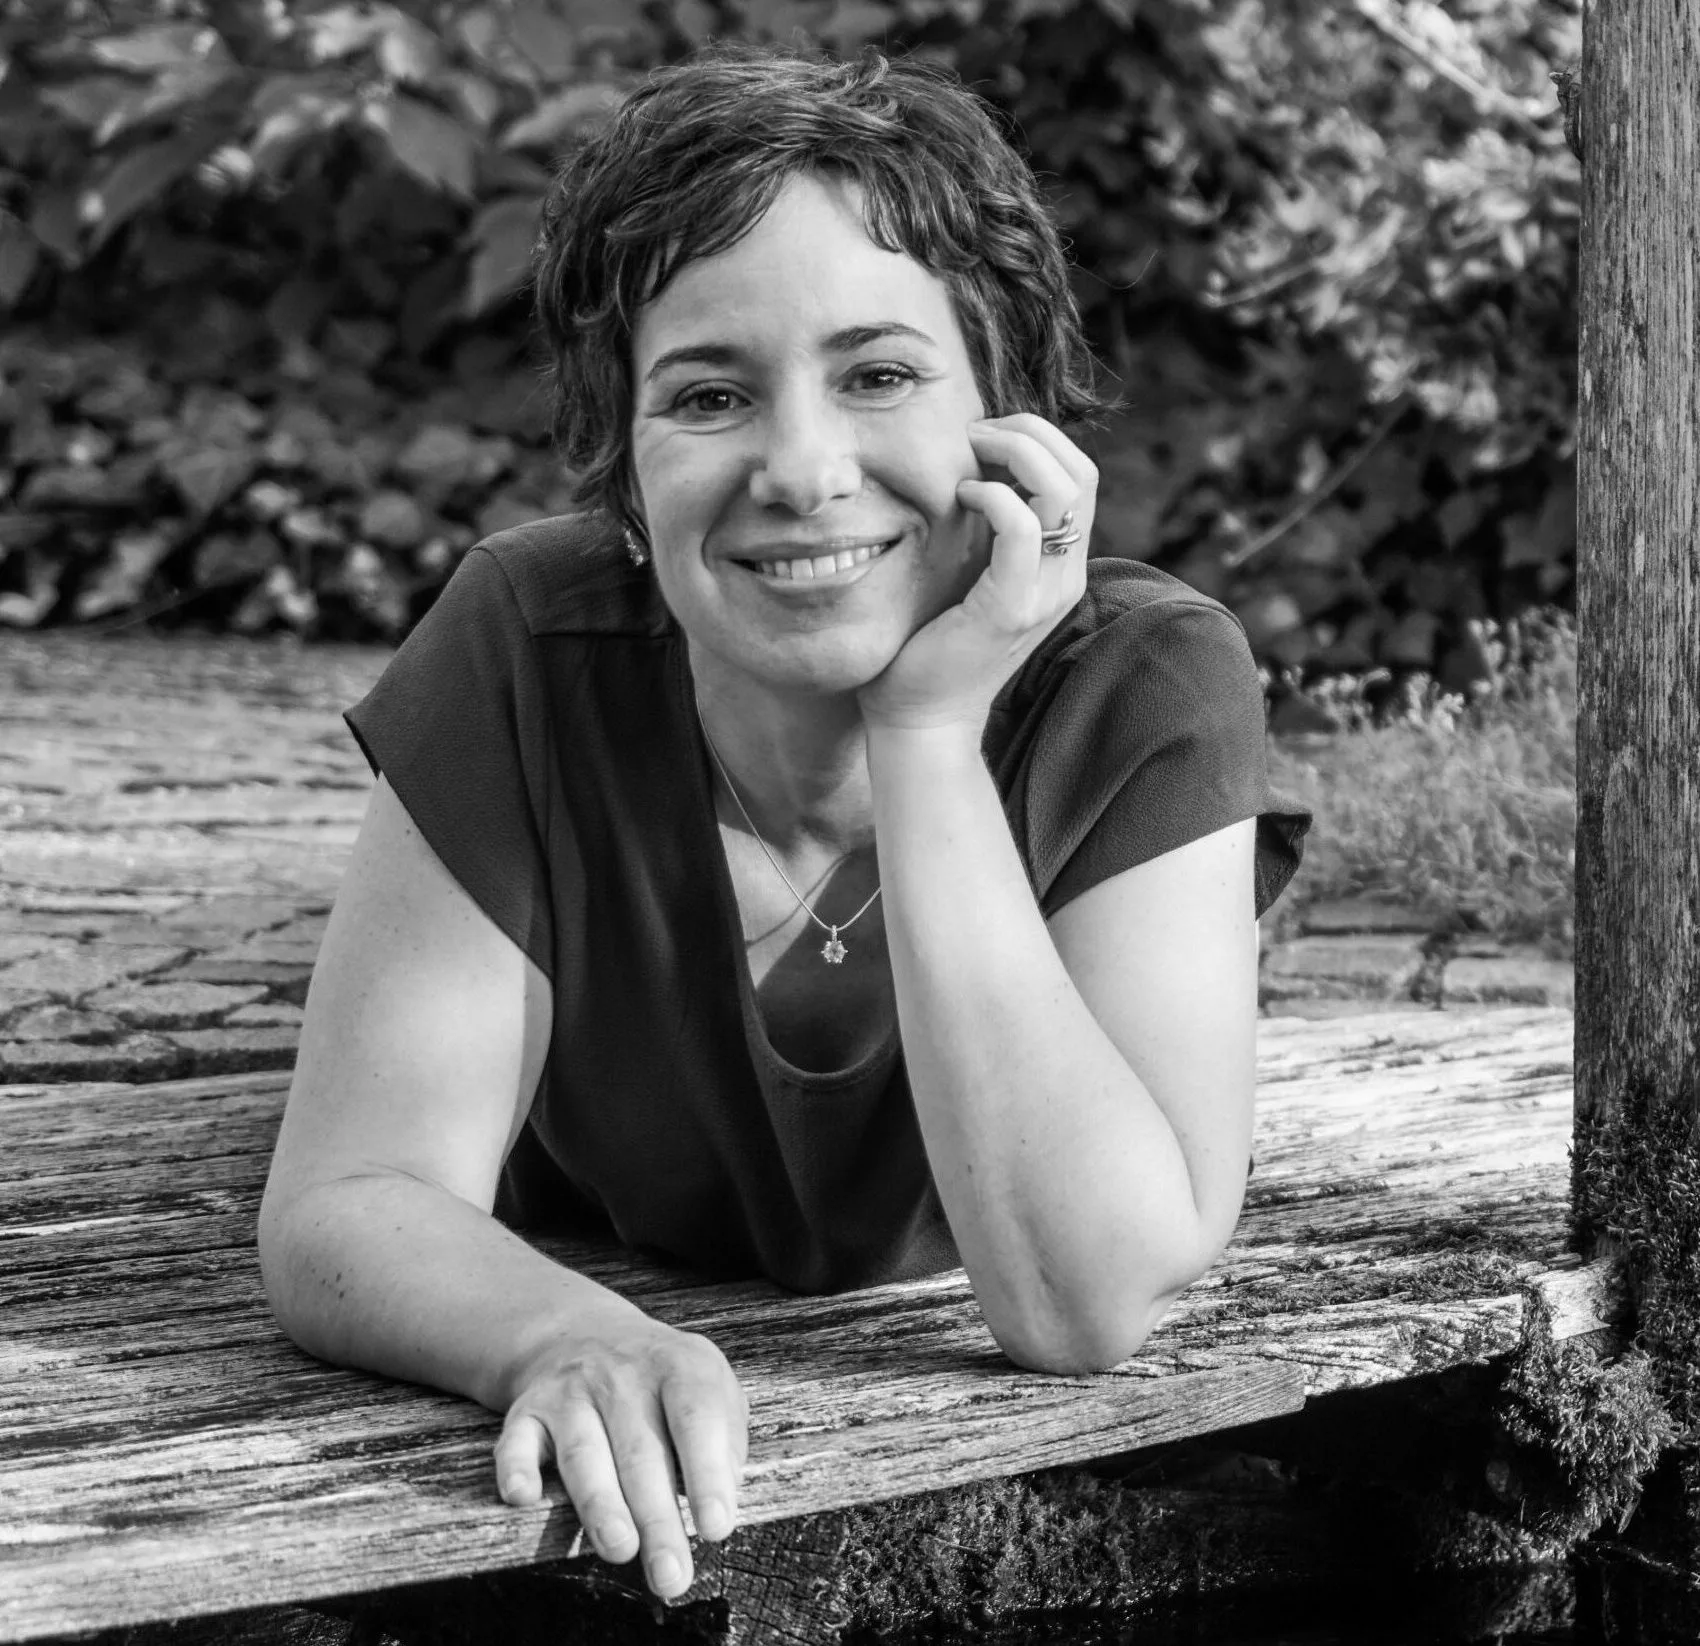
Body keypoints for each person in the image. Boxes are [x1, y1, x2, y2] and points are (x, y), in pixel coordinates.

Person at [258, 41, 1311, 1608]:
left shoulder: (1148, 686)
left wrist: (927, 733)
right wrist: (564, 1331)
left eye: (879, 375)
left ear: (1012, 422)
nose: (803, 471)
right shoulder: (522, 644)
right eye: (709, 394)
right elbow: (348, 1199)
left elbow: (1078, 1298)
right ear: (625, 470)